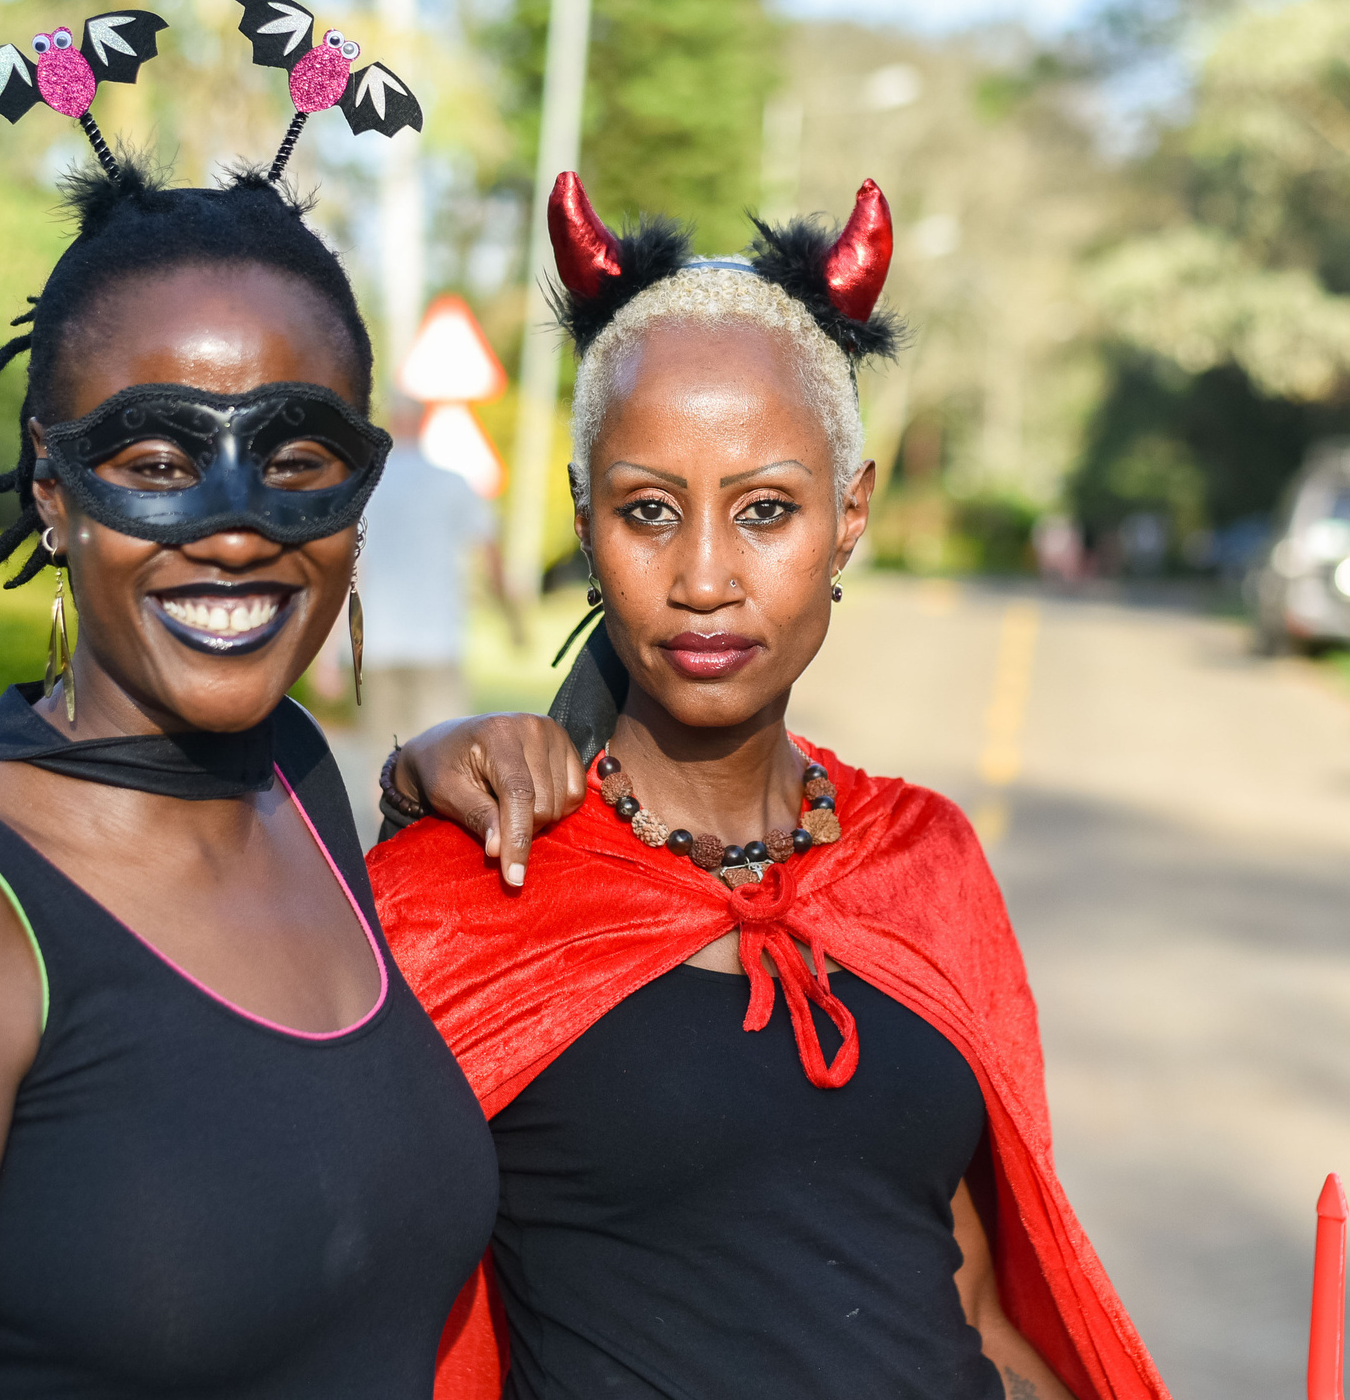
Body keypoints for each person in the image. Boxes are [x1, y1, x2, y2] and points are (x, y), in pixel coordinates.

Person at [0, 160, 504, 1400]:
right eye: (160, 460)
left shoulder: (295, 788)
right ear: (51, 489)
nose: (236, 530)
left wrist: (419, 775)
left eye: (297, 459)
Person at [367, 173, 1170, 1400]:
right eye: (647, 510)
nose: (703, 576)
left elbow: (975, 1309)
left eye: (765, 511)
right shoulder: (469, 878)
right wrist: (403, 769)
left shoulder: (924, 857)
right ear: (584, 520)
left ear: (848, 516)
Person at [325, 394, 516, 823]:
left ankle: (382, 856)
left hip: (375, 642)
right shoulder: (450, 482)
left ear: (390, 421)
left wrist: (330, 653)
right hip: (437, 641)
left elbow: (350, 570)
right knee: (447, 759)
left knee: (381, 758)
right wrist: (511, 619)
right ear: (425, 420)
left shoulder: (363, 486)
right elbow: (489, 554)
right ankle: (435, 859)